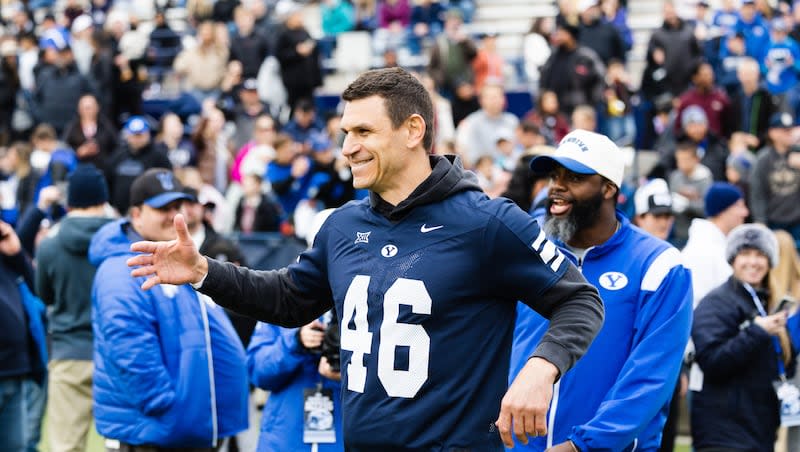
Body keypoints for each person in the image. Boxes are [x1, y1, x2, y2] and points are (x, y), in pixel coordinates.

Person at [127, 67, 604, 450]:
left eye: (363, 131)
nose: (347, 147)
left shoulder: (487, 223)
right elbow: (289, 300)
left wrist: (541, 369)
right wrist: (204, 272)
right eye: (344, 132)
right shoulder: (342, 226)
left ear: (413, 130)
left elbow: (581, 301)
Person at [511, 129, 693, 451]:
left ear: (609, 188)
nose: (558, 188)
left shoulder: (659, 265)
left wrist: (583, 445)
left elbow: (651, 377)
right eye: (555, 176)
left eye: (574, 179)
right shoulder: (528, 248)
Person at [90, 168, 248, 448]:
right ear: (136, 214)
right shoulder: (122, 266)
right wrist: (167, 406)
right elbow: (129, 348)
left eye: (177, 206)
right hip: (156, 433)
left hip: (186, 428)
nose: (174, 215)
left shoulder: (172, 259)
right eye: (162, 207)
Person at [691, 223, 795, 451]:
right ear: (733, 259)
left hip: (760, 429)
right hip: (723, 432)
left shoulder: (770, 303)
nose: (753, 262)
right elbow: (712, 361)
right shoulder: (716, 303)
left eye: (760, 255)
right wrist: (757, 332)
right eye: (745, 253)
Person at [34, 164, 113, 452]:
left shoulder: (50, 244)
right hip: (117, 353)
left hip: (69, 353)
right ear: (103, 200)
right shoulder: (122, 240)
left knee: (66, 447)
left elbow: (43, 295)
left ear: (69, 202)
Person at [682, 182, 750, 307]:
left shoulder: (717, 245)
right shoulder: (701, 250)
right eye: (739, 206)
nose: (745, 212)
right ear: (722, 210)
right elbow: (699, 306)